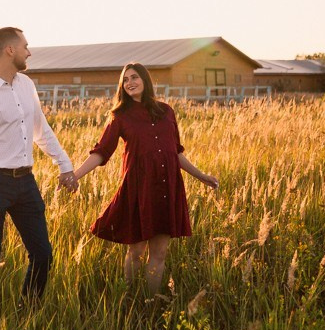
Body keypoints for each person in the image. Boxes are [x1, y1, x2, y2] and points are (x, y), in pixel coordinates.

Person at [0, 27, 78, 314]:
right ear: (10, 50)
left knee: (43, 254)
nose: (29, 51)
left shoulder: (26, 85)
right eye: (25, 46)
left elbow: (40, 130)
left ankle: (29, 310)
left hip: (25, 182)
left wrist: (65, 164)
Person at [72, 63, 218, 293]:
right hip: (138, 189)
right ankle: (130, 297)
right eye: (125, 80)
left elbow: (176, 152)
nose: (129, 82)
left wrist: (201, 176)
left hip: (167, 187)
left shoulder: (166, 111)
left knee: (159, 253)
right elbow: (102, 151)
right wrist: (75, 175)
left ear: (145, 80)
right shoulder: (119, 116)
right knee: (136, 251)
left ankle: (150, 301)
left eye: (134, 77)